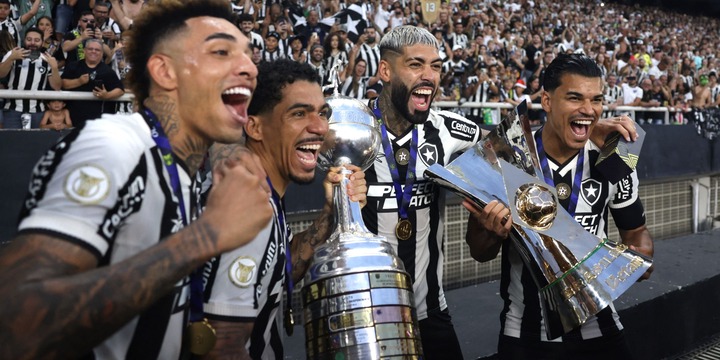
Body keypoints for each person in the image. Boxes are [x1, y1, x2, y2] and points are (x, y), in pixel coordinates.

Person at [0, 1, 272, 359]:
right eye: (221, 51)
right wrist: (206, 236)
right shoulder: (114, 145)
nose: (250, 68)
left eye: (250, 55)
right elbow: (16, 325)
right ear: (165, 71)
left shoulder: (181, 173)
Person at [464, 53, 654, 360]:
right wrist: (490, 232)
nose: (588, 110)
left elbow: (638, 234)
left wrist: (633, 264)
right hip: (524, 334)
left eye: (596, 100)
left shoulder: (615, 157)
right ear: (547, 101)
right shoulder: (508, 160)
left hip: (600, 328)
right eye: (575, 98)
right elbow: (478, 251)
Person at [202, 58, 367, 359]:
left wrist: (330, 214)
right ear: (255, 127)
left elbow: (283, 267)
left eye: (321, 113)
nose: (320, 127)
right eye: (299, 113)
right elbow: (218, 346)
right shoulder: (242, 208)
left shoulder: (262, 192)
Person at [362, 25, 482, 360]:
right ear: (385, 70)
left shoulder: (448, 130)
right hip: (365, 317)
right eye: (416, 65)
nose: (429, 76)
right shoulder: (352, 125)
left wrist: (590, 131)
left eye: (436, 66)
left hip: (430, 313)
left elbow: (507, 144)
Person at [0, 26, 61, 129]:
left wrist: (54, 68)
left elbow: (56, 87)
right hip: (12, 109)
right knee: (11, 142)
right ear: (24, 40)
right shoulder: (13, 54)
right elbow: (1, 74)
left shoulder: (47, 59)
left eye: (36, 40)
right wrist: (10, 59)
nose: (32, 43)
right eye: (29, 39)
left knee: (35, 143)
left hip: (37, 111)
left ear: (42, 42)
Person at [61, 38, 125, 127]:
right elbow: (63, 84)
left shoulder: (107, 71)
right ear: (84, 51)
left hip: (98, 121)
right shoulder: (73, 66)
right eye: (90, 49)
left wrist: (106, 95)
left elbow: (120, 90)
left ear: (102, 53)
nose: (93, 52)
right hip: (73, 118)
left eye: (97, 50)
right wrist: (79, 81)